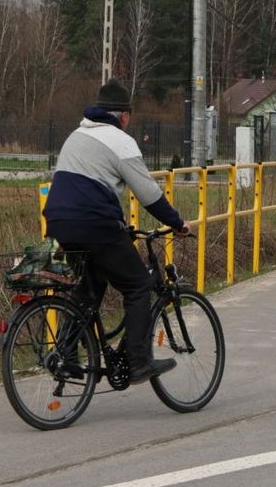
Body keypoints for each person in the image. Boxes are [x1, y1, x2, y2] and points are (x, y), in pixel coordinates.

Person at [43, 79, 190, 384]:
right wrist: (177, 222)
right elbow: (148, 194)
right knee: (138, 286)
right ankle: (137, 362)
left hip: (59, 222)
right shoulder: (120, 141)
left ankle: (68, 357)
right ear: (124, 115)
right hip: (95, 223)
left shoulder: (77, 134)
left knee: (90, 290)